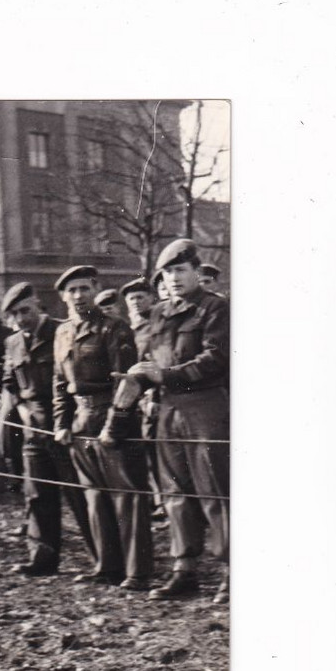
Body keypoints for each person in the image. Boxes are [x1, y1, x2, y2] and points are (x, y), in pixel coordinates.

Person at [123, 239, 230, 602]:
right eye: (168, 272)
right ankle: (185, 569)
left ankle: (234, 569)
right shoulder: (158, 314)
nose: (174, 278)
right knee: (174, 490)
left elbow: (215, 359)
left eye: (181, 270)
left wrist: (162, 376)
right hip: (167, 410)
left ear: (197, 272)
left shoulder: (215, 308)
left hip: (205, 408)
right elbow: (148, 357)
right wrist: (140, 378)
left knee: (214, 488)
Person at [53, 266, 153, 589]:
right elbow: (59, 384)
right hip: (81, 422)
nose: (79, 295)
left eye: (84, 288)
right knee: (95, 497)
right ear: (63, 296)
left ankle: (137, 571)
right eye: (72, 290)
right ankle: (106, 566)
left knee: (128, 495)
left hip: (114, 417)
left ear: (95, 289)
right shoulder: (62, 333)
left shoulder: (115, 329)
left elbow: (127, 384)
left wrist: (114, 426)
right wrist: (62, 423)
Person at [1, 281, 95, 576]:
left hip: (64, 424)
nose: (21, 319)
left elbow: (70, 380)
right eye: (14, 314)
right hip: (32, 428)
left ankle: (102, 558)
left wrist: (63, 422)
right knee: (38, 495)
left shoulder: (60, 331)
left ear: (38, 304)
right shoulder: (13, 342)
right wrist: (23, 411)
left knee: (80, 495)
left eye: (25, 311)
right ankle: (43, 558)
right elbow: (10, 384)